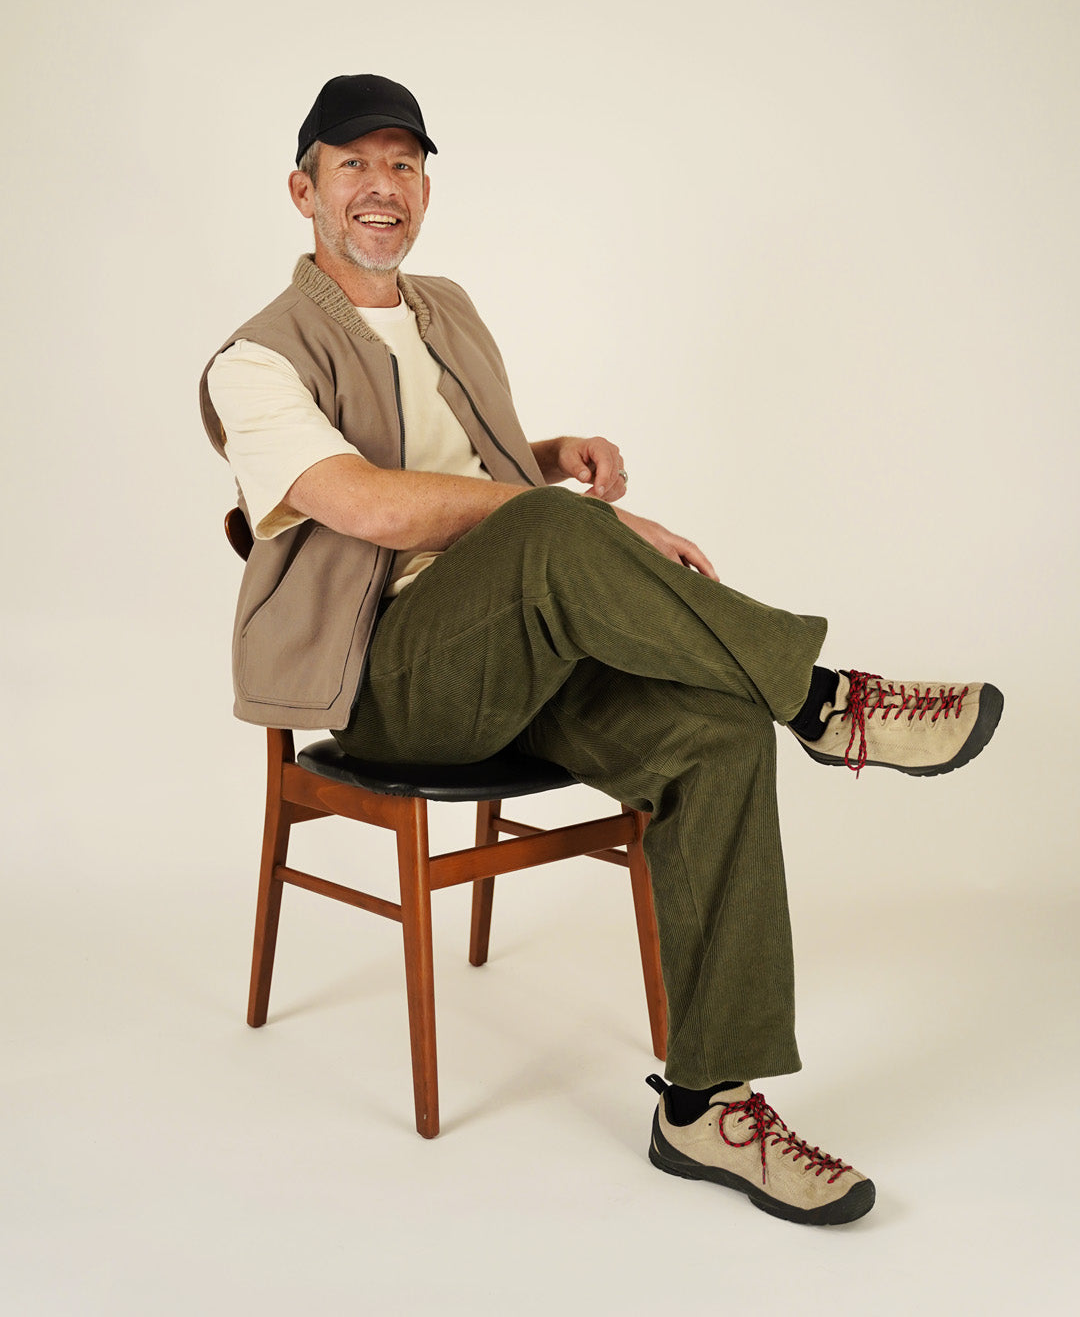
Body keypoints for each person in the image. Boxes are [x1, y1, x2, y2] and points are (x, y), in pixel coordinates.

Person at [200, 74, 1003, 1227]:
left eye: (405, 164)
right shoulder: (256, 359)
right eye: (354, 165)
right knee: (546, 528)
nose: (384, 187)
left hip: (521, 649)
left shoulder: (449, 308)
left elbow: (476, 475)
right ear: (303, 189)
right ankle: (829, 700)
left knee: (716, 734)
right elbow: (369, 506)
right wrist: (576, 519)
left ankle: (705, 1106)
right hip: (387, 679)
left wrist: (545, 452)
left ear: (426, 186)